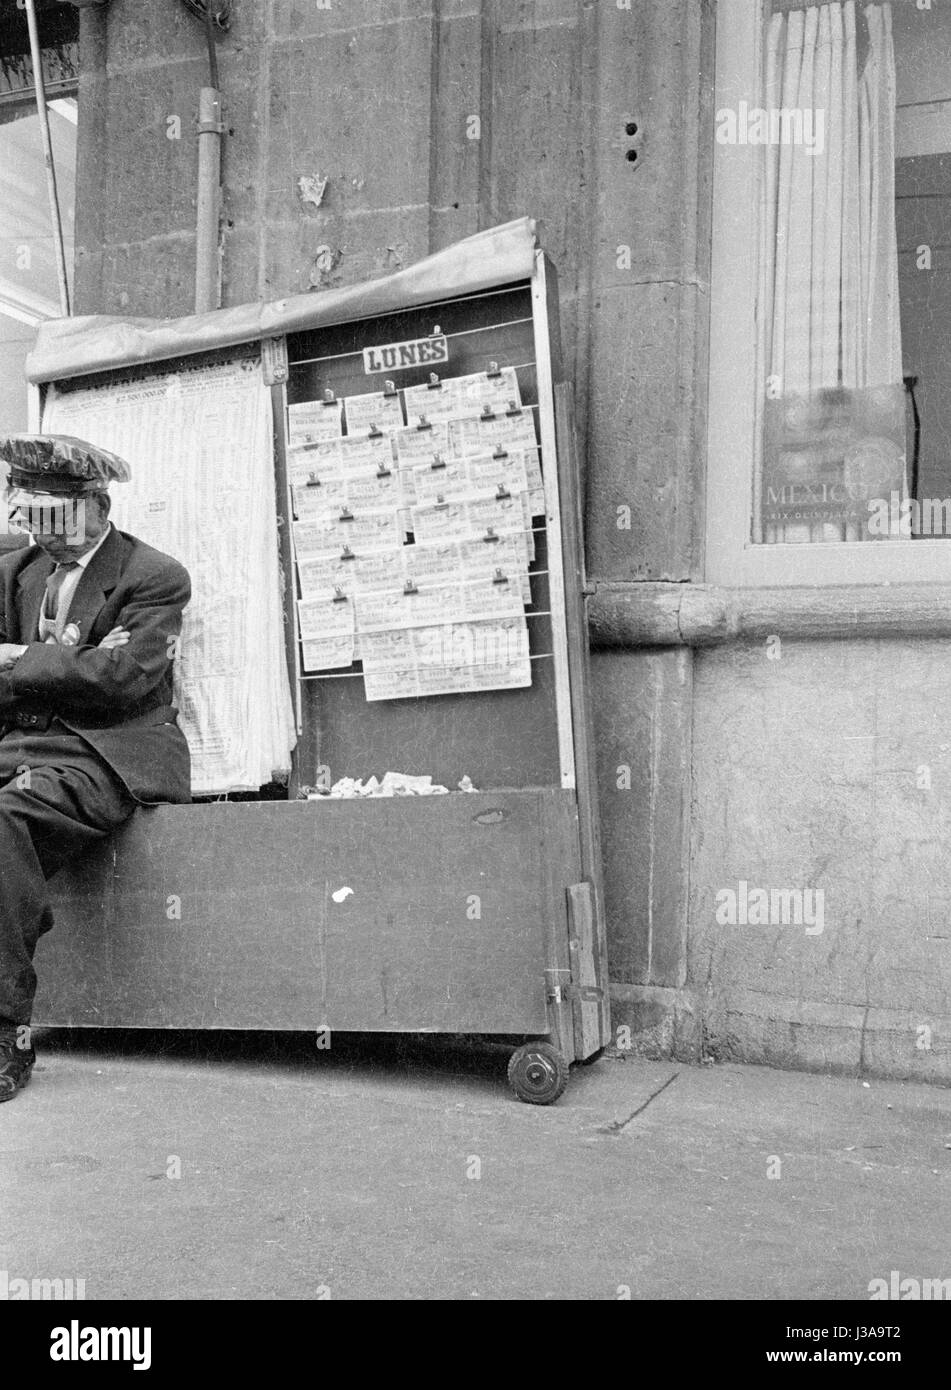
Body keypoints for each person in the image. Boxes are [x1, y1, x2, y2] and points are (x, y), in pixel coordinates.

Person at [0, 434, 191, 1103]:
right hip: (20, 745)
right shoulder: (16, 570)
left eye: (53, 518)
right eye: (28, 517)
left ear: (97, 505)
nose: (41, 534)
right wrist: (62, 665)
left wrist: (18, 658)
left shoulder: (153, 574)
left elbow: (125, 680)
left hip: (103, 754)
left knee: (6, 821)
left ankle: (6, 1030)